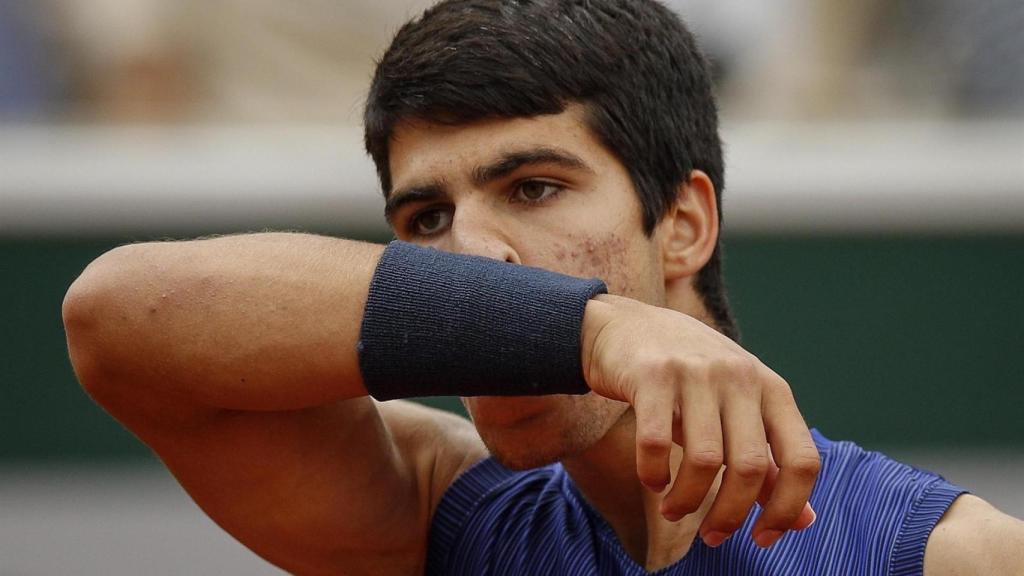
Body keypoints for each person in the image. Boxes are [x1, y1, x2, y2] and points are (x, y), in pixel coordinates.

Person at [61, 0, 1023, 574]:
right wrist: (594, 332)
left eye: (534, 189)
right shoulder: (442, 509)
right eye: (425, 220)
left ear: (684, 224)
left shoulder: (951, 557)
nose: (471, 253)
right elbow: (117, 318)